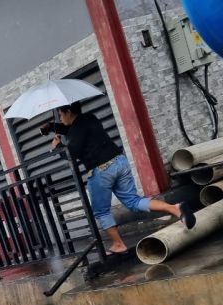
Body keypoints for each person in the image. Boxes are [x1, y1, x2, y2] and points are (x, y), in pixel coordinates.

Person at [41, 102, 195, 254]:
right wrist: (52, 126)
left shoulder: (75, 129)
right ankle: (175, 208)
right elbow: (73, 129)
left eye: (61, 115)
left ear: (68, 111)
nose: (60, 118)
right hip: (119, 161)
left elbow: (72, 154)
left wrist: (59, 147)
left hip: (101, 170)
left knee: (101, 211)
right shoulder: (90, 118)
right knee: (133, 201)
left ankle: (118, 244)